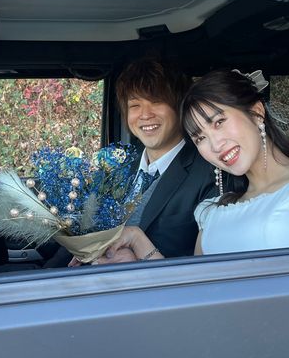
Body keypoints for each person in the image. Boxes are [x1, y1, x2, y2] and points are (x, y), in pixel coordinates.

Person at [101, 68, 289, 262]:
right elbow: (194, 294)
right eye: (200, 138)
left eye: (219, 122)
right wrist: (137, 240)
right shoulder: (211, 212)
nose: (215, 144)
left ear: (256, 113)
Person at [66, 57, 218, 266]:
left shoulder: (209, 173)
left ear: (179, 106)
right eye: (135, 105)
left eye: (156, 102)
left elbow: (208, 264)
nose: (145, 115)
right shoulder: (121, 165)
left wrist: (137, 257)